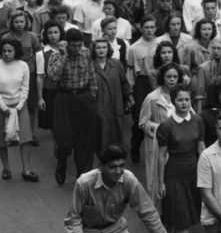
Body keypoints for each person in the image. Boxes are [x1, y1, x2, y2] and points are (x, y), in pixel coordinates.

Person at [64, 144, 174, 233]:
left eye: (121, 165)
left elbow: (148, 213)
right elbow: (72, 220)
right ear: (100, 166)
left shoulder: (129, 180)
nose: (118, 171)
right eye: (112, 167)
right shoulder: (84, 183)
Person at [156, 82, 205, 233]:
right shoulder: (166, 126)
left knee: (187, 213)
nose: (184, 103)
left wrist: (208, 174)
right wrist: (160, 182)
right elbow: (161, 156)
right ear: (172, 101)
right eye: (180, 100)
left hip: (194, 173)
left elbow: (201, 149)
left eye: (187, 99)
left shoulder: (198, 121)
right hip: (174, 174)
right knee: (182, 219)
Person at [48, 27, 99, 184]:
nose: (76, 49)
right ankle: (61, 163)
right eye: (73, 46)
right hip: (64, 99)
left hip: (84, 98)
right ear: (66, 44)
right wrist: (63, 55)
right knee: (63, 138)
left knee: (85, 140)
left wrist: (92, 96)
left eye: (79, 45)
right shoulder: (56, 55)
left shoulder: (86, 53)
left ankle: (82, 177)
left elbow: (91, 75)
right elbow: (53, 77)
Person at [139, 62, 180, 210]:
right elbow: (143, 123)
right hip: (159, 146)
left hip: (178, 145)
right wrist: (161, 129)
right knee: (158, 179)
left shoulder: (181, 96)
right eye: (169, 76)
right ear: (162, 78)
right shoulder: (152, 98)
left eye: (175, 76)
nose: (172, 79)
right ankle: (159, 214)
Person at [0, 37, 36, 181]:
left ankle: (26, 170)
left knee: (26, 138)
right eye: (4, 51)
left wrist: (20, 105)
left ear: (16, 51)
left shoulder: (23, 66)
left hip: (21, 106)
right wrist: (4, 108)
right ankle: (6, 168)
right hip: (1, 107)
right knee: (1, 140)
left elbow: (25, 87)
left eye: (10, 50)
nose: (7, 53)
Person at [92, 37, 132, 150]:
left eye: (104, 47)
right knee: (100, 131)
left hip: (115, 102)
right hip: (98, 102)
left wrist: (129, 97)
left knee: (116, 130)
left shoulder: (116, 64)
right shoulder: (90, 65)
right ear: (94, 49)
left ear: (108, 49)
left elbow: (124, 82)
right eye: (98, 47)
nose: (101, 50)